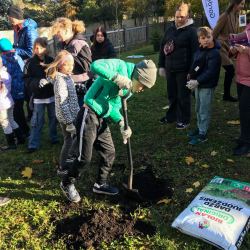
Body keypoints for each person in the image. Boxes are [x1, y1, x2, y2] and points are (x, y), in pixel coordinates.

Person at [59, 58, 157, 202]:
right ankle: (66, 183)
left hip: (101, 118)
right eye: (143, 85)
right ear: (138, 77)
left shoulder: (129, 90)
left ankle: (100, 184)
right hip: (89, 114)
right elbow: (95, 66)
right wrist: (117, 78)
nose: (142, 90)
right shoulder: (119, 66)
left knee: (109, 152)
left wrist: (121, 121)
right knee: (84, 159)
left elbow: (113, 107)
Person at [158, 3, 199, 129]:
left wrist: (192, 71)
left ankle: (184, 119)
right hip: (170, 68)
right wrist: (161, 66)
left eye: (182, 16)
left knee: (183, 96)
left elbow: (195, 53)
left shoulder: (192, 32)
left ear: (188, 16)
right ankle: (172, 116)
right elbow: (162, 48)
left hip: (184, 70)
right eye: (177, 17)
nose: (179, 19)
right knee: (172, 94)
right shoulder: (169, 30)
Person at [43, 50, 80, 174]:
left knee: (80, 134)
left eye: (72, 64)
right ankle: (62, 166)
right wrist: (69, 122)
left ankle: (70, 155)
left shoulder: (67, 77)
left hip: (73, 113)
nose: (70, 67)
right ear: (60, 65)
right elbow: (62, 103)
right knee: (68, 140)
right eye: (67, 64)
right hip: (66, 117)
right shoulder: (60, 81)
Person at [22, 38, 59, 154]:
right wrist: (38, 82)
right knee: (37, 120)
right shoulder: (30, 63)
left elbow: (57, 74)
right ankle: (33, 144)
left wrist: (53, 79)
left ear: (46, 48)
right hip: (38, 97)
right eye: (36, 48)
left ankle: (54, 137)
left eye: (41, 47)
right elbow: (26, 79)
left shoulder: (51, 60)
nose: (39, 50)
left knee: (53, 118)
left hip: (52, 95)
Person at [186, 27, 221, 145]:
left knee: (204, 109)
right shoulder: (199, 51)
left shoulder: (214, 52)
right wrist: (191, 77)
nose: (206, 40)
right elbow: (195, 66)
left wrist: (198, 81)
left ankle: (202, 133)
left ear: (212, 37)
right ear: (199, 40)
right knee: (198, 108)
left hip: (206, 85)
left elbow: (211, 71)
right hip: (198, 84)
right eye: (203, 38)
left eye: (209, 37)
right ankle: (200, 126)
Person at [51, 18, 93, 108]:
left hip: (81, 86)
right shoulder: (64, 44)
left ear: (66, 31)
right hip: (69, 84)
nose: (57, 34)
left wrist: (68, 59)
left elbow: (87, 65)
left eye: (58, 31)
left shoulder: (80, 43)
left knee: (80, 115)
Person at [7, 5, 39, 121]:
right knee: (26, 93)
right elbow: (20, 46)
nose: (9, 19)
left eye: (10, 16)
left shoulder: (29, 30)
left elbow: (32, 51)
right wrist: (13, 47)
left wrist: (15, 50)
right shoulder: (16, 29)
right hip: (22, 65)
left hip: (30, 66)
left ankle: (37, 116)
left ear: (16, 15)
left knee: (31, 93)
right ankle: (31, 115)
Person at [213, 0, 245, 102]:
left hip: (227, 47)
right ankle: (226, 95)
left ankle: (196, 91)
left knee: (212, 71)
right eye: (242, 4)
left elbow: (232, 34)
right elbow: (214, 33)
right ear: (236, 4)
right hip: (220, 47)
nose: (243, 6)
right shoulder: (225, 16)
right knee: (230, 71)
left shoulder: (235, 16)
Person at [0, 38, 30, 136]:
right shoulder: (17, 56)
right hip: (21, 87)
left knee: (15, 113)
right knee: (19, 110)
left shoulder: (3, 60)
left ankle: (23, 131)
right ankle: (21, 130)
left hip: (10, 90)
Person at [229, 23, 250, 156]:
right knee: (244, 110)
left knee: (245, 109)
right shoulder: (248, 26)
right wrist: (234, 50)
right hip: (241, 76)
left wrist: (247, 51)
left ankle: (247, 143)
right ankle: (244, 138)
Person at [0, 63, 26, 150]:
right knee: (11, 120)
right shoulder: (5, 73)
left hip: (2, 105)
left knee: (5, 123)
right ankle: (21, 138)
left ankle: (11, 144)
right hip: (9, 101)